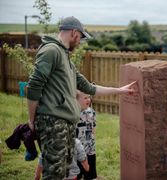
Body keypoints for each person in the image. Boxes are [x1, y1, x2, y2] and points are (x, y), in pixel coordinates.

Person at [27, 16, 136, 180]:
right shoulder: (51, 51)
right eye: (80, 37)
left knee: (65, 173)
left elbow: (89, 88)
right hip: (53, 123)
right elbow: (34, 85)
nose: (80, 42)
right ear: (73, 33)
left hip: (66, 124)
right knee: (54, 175)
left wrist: (120, 90)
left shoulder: (67, 59)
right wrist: (31, 119)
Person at [76, 90, 97, 179]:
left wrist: (92, 138)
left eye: (88, 97)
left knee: (90, 175)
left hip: (90, 149)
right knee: (76, 174)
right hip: (77, 152)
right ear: (76, 100)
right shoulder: (74, 114)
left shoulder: (91, 112)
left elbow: (93, 127)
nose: (88, 99)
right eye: (85, 98)